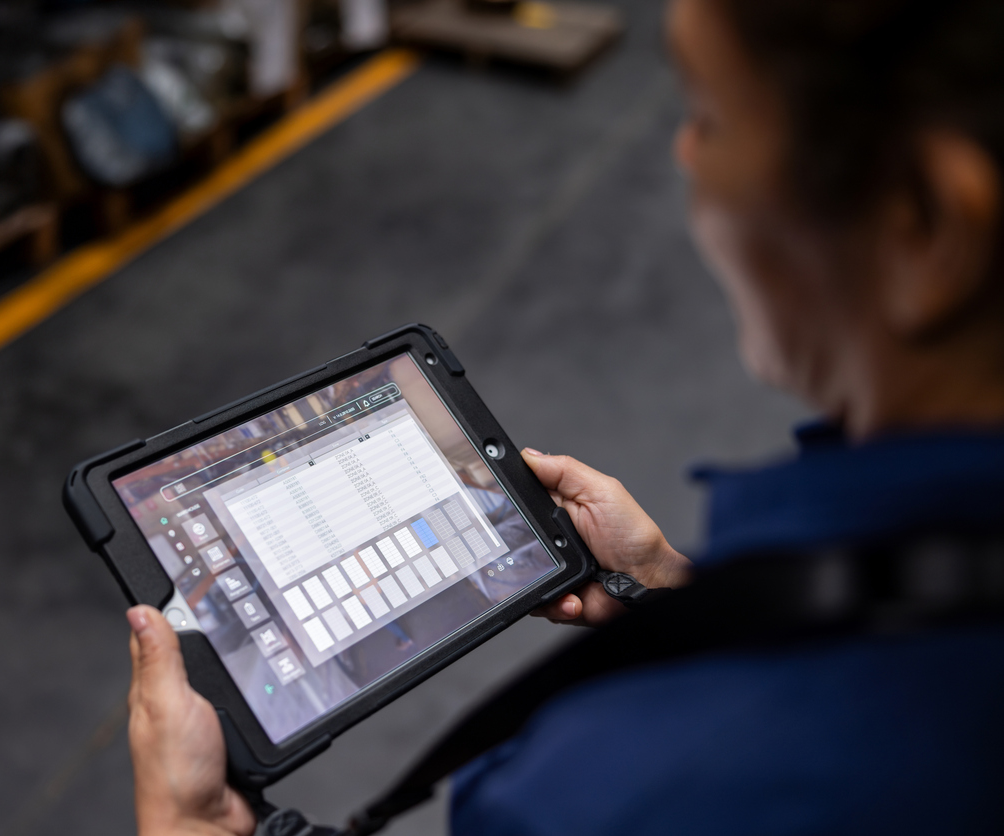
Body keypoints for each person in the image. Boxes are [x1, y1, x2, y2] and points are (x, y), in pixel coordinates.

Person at [120, 0, 1004, 832]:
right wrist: (677, 599)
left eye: (714, 118)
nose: (685, 156)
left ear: (921, 224)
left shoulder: (611, 795)